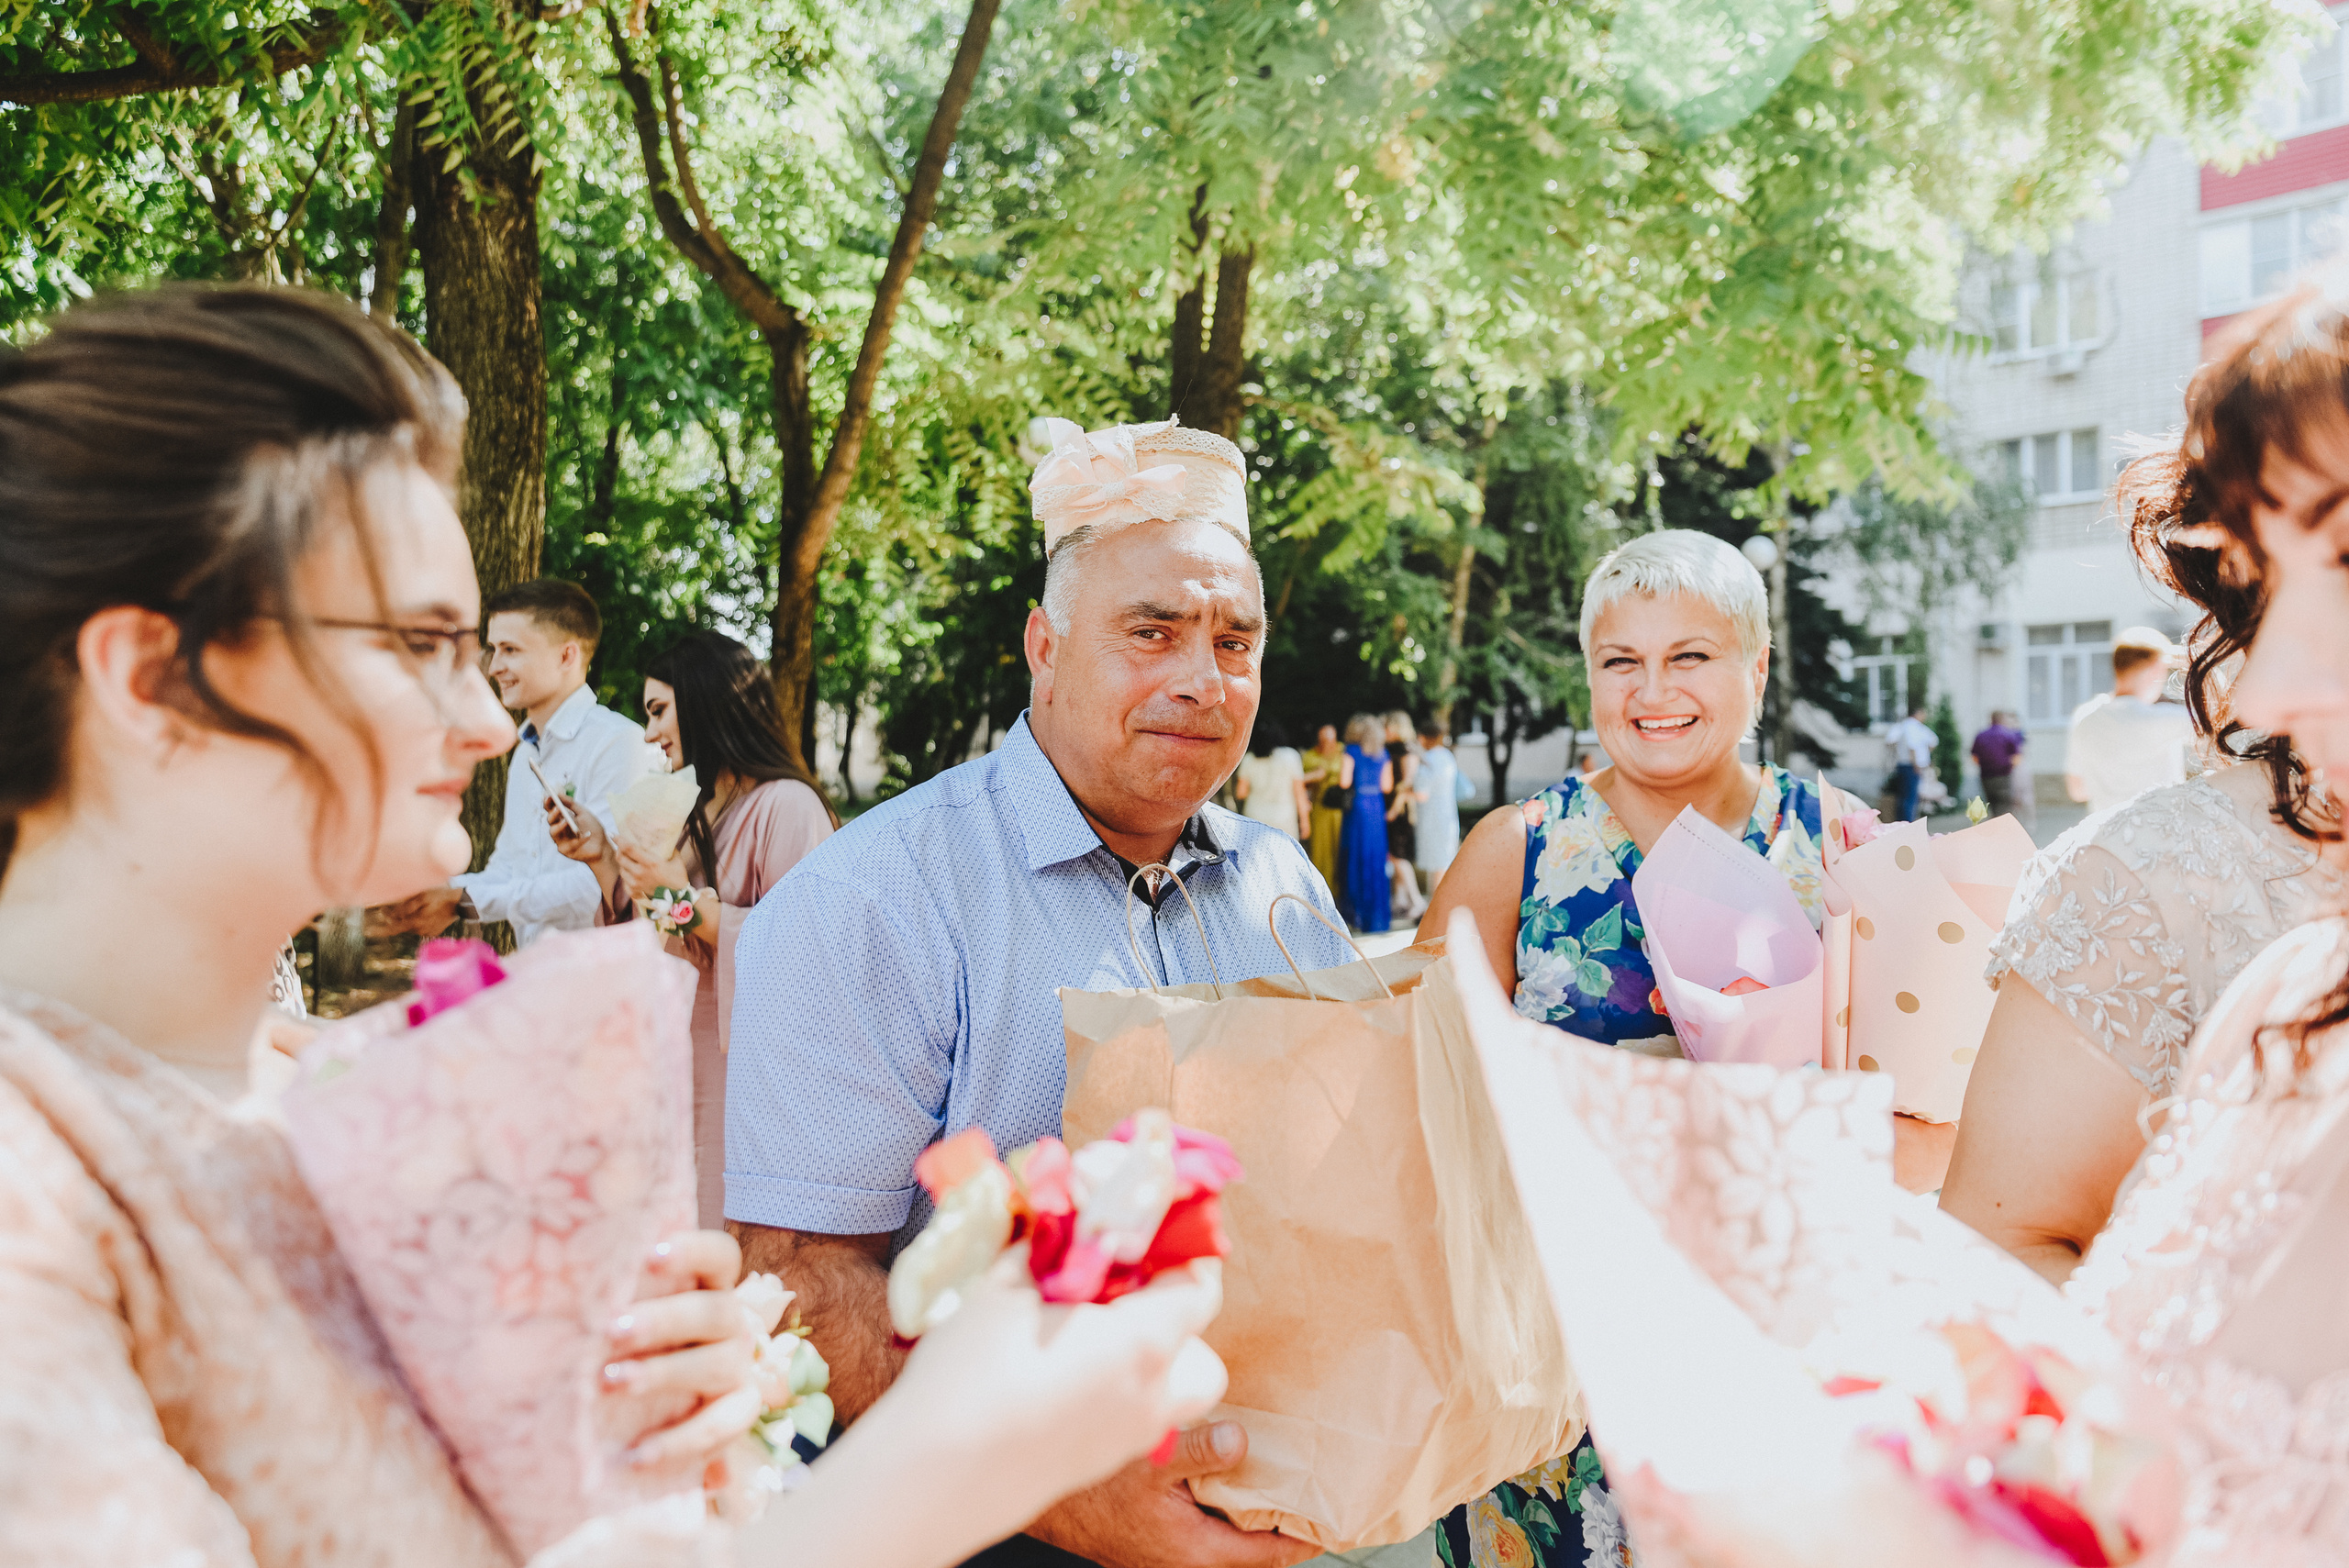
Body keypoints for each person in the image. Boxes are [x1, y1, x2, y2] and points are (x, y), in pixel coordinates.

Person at [0, 287, 1236, 1568]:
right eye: (419, 644)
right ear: (151, 679)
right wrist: (963, 1453)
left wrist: (652, 1474)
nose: (483, 723)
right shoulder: (29, 1194)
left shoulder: (324, 1091)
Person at [723, 414, 1353, 1568]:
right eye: (1150, 630)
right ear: (1044, 644)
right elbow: (797, 1277)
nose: (1199, 678)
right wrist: (1064, 1494)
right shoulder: (872, 896)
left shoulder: (1283, 882)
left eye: (1233, 638)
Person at [1416, 528, 1946, 1568]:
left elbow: (1935, 1139)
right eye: (1622, 661)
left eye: (1690, 656)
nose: (1652, 690)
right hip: (1555, 1378)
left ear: (1754, 666)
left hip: (1775, 1367)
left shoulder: (1844, 846)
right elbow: (1413, 1110)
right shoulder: (1514, 850)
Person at [1942, 401, 2343, 1286]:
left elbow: (2077, 780)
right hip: (2174, 840)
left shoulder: (2084, 723)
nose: (2274, 685)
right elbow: (2000, 1247)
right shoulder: (2142, 883)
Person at [551, 629, 837, 1229]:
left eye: (659, 710)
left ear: (708, 700)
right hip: (671, 1062)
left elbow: (808, 953)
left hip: (742, 1077)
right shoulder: (692, 807)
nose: (650, 732)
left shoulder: (787, 806)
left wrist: (684, 902)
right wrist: (603, 857)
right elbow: (657, 933)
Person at [381, 577, 653, 945]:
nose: (494, 667)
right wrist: (437, 893)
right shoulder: (526, 752)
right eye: (494, 649)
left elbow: (605, 884)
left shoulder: (619, 743)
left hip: (607, 976)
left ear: (566, 656)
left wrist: (464, 900)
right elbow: (509, 868)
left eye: (511, 649)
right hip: (538, 972)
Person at [2064, 626, 2195, 817]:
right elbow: (2223, 729)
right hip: (2160, 834)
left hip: (2104, 837)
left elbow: (2077, 791)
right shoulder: (2165, 719)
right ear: (2157, 669)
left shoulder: (2084, 718)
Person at [1339, 712, 1393, 934]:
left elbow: (1344, 782)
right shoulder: (1384, 754)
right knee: (1375, 858)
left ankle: (1355, 914)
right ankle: (1376, 916)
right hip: (1375, 807)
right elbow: (1387, 786)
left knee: (1354, 857)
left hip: (1358, 807)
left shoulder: (1351, 752)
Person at [1411, 717, 1474, 901]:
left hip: (1432, 817)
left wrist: (1406, 790)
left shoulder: (1428, 761)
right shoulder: (1447, 757)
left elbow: (1421, 794)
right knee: (1444, 861)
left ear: (1423, 738)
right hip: (1447, 815)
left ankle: (1437, 905)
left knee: (1436, 864)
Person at [1232, 717, 1309, 840]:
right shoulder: (1291, 756)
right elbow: (1299, 793)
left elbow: (1241, 793)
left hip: (1255, 817)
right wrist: (1305, 822)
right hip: (1285, 817)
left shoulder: (1248, 759)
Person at [1967, 708, 2032, 831]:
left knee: (1991, 805)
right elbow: (2017, 757)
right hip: (2003, 775)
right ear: (2002, 719)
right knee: (2005, 806)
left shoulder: (1981, 735)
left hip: (1986, 776)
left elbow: (1974, 757)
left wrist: (1985, 765)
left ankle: (1994, 830)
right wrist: (2010, 767)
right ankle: (2005, 832)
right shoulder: (2008, 734)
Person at [1302, 723, 1348, 895]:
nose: (1328, 744)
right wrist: (1314, 776)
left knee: (1340, 850)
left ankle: (1341, 892)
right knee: (1321, 852)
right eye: (1324, 740)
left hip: (1340, 810)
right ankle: (1324, 891)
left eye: (1331, 740)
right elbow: (1300, 782)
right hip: (1320, 808)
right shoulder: (1310, 756)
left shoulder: (1343, 752)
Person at [1885, 702, 1938, 823]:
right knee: (1910, 798)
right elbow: (1913, 746)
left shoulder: (1901, 726)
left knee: (1903, 797)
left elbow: (1890, 742)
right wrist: (1917, 762)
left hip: (1902, 764)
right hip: (1912, 766)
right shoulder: (1914, 727)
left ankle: (1901, 823)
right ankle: (1907, 823)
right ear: (1918, 713)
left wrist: (1899, 751)